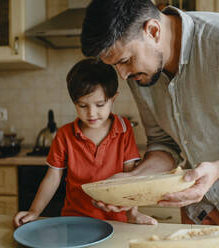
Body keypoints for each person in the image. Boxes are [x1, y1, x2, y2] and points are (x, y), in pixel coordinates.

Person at [80, 0, 219, 229]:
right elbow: (164, 144)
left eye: (125, 61)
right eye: (116, 65)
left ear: (153, 31)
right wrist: (131, 182)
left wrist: (217, 170)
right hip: (201, 208)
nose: (123, 75)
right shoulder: (140, 72)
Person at [13, 58, 154, 227]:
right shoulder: (64, 135)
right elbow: (52, 178)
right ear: (74, 103)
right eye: (82, 105)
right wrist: (34, 212)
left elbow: (130, 176)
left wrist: (133, 213)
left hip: (116, 221)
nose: (92, 113)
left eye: (100, 104)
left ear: (113, 99)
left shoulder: (124, 128)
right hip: (74, 219)